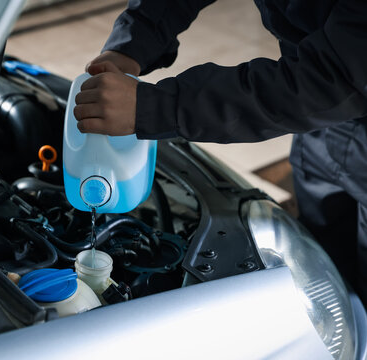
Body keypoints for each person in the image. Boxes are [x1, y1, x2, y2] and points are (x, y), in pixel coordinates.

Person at [74, 0, 367, 301]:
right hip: (319, 125)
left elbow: (336, 74)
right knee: (323, 267)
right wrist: (131, 44)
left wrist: (154, 107)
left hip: (333, 94)